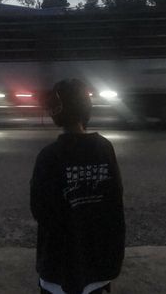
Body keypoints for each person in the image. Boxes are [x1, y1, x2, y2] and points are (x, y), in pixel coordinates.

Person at [30, 79, 125, 294]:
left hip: (57, 270)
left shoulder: (48, 156)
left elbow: (39, 210)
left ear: (56, 113)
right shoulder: (105, 148)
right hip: (97, 266)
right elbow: (114, 206)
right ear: (86, 108)